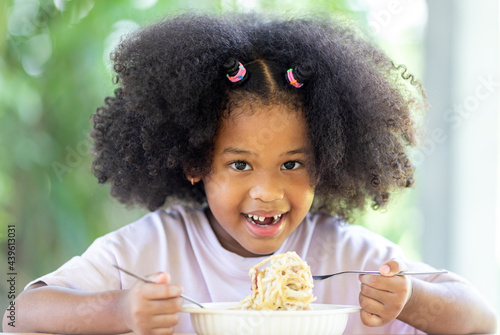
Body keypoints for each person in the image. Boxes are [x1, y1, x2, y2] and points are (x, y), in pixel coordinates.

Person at [3, 12, 496, 335]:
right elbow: (16, 311)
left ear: (324, 162)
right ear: (195, 162)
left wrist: (409, 300)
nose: (268, 191)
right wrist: (117, 309)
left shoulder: (347, 255)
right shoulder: (152, 250)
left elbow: (481, 319)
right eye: (240, 164)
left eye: (292, 164)